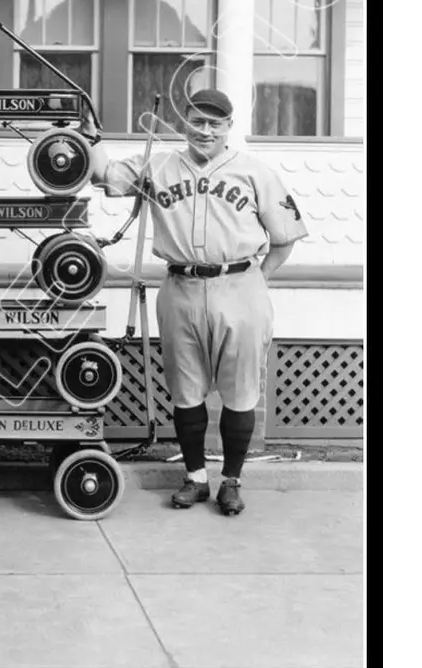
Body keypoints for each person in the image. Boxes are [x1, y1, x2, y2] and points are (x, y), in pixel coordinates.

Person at [79, 89, 308, 515]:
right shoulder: (159, 164)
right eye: (197, 121)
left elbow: (285, 237)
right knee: (185, 390)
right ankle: (196, 477)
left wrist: (259, 279)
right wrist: (91, 138)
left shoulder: (255, 171)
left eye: (214, 123)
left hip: (239, 284)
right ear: (185, 122)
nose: (204, 130)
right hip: (180, 286)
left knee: (241, 392)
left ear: (227, 128)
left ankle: (232, 482)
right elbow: (104, 176)